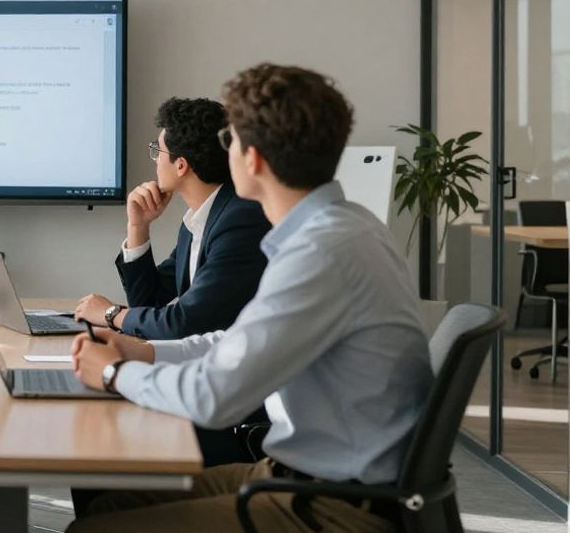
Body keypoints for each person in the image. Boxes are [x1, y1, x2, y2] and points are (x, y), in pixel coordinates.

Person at [69, 64, 433, 533]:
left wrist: (117, 372)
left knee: (93, 528)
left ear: (253, 158)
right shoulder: (344, 229)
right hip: (300, 473)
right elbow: (241, 339)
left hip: (332, 503)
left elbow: (213, 397)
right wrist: (147, 349)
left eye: (231, 142)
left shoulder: (319, 253)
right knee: (108, 503)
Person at [74, 97, 270, 340]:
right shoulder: (201, 219)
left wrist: (111, 314)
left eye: (157, 151)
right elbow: (148, 301)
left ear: (180, 165)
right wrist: (138, 226)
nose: (155, 160)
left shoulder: (239, 221)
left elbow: (184, 323)